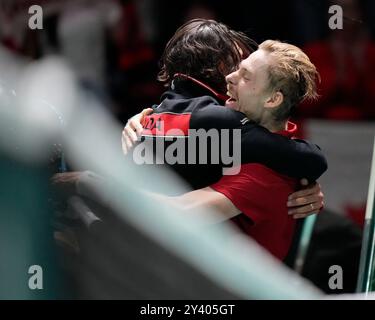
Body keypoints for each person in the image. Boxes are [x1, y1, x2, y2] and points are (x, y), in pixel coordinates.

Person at [122, 39, 324, 260]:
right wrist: (148, 117)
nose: (229, 77)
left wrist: (95, 181)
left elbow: (178, 211)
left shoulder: (263, 173)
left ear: (273, 99)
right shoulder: (256, 147)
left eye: (246, 76)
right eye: (237, 68)